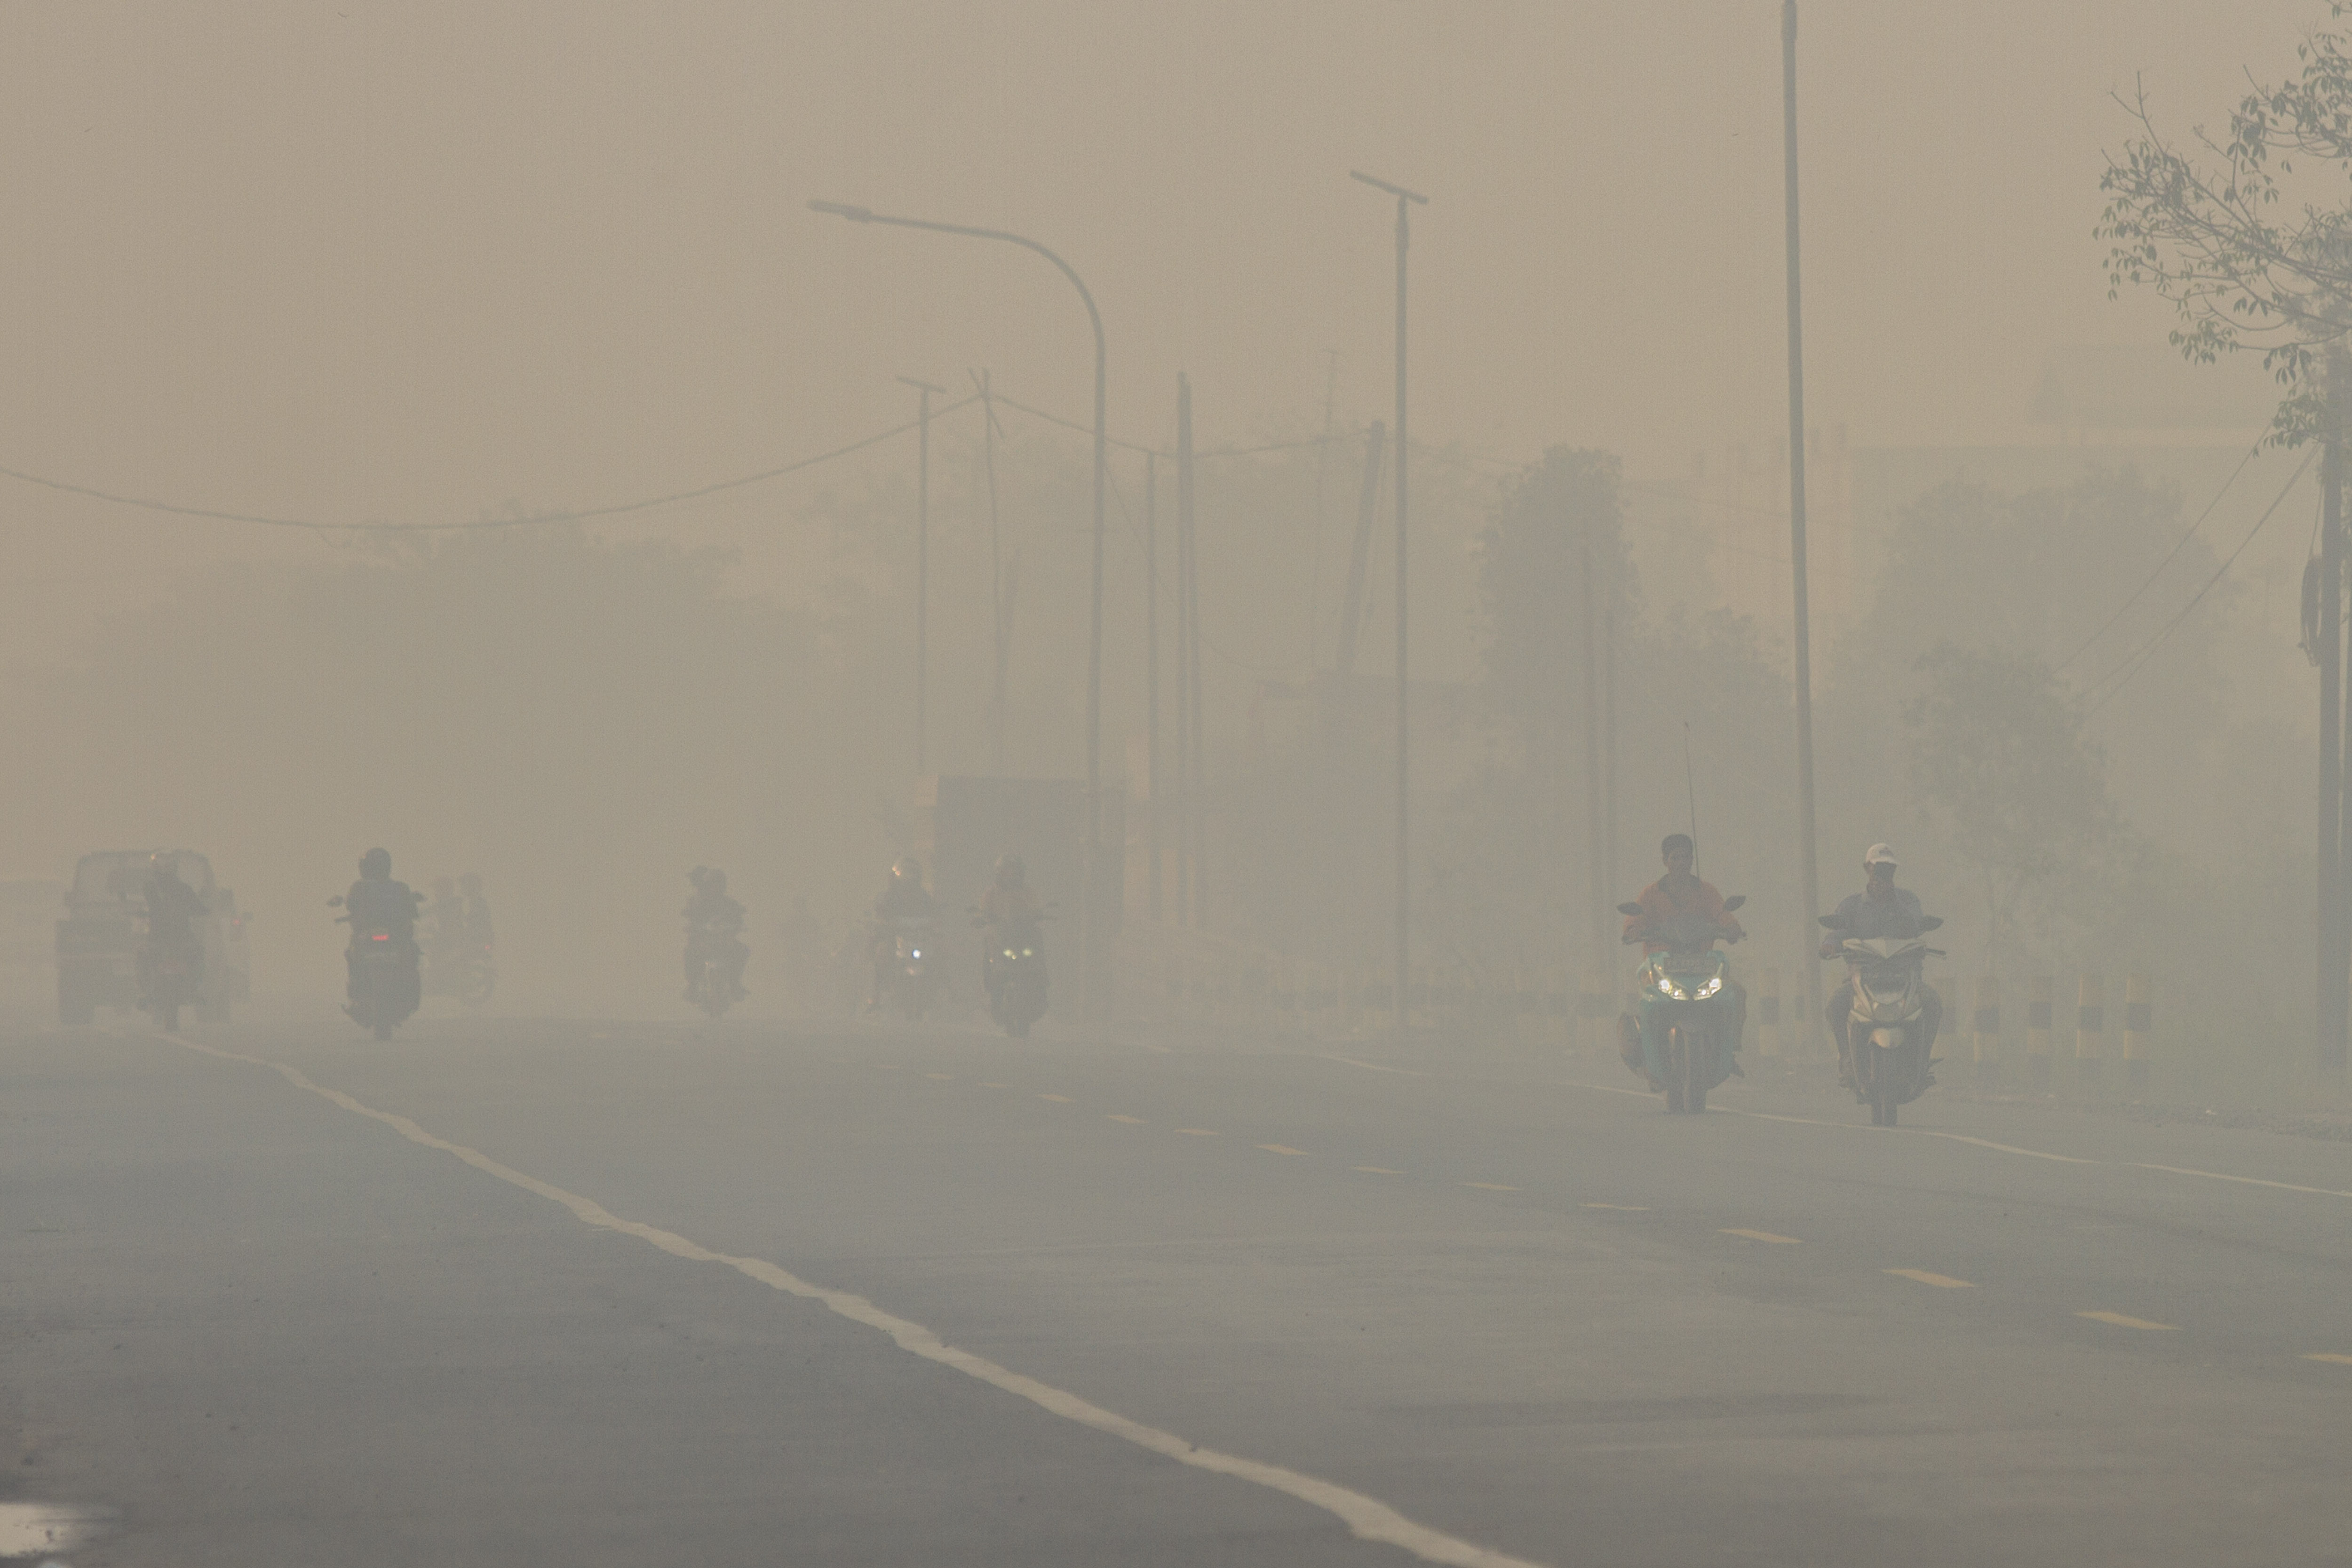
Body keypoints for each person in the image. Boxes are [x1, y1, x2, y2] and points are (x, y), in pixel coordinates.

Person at [1618, 834, 1747, 1080]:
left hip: (1703, 966)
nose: (1682, 863)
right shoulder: (1650, 894)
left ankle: (1728, 1050)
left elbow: (1722, 913)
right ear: (1665, 860)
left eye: (1687, 857)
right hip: (1661, 966)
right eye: (1676, 857)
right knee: (1647, 1002)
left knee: (1736, 994)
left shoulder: (1706, 892)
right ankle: (1647, 1054)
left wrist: (1732, 928)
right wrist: (1633, 931)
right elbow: (1634, 920)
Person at [1820, 844, 1942, 1087]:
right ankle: (1846, 1059)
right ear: (1868, 868)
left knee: (1932, 1003)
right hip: (1862, 981)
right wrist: (1830, 945)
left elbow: (1918, 923)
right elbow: (1837, 931)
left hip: (1905, 979)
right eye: (1879, 868)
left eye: (1889, 869)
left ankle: (1922, 1060)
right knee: (1836, 1005)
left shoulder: (1908, 902)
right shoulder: (1851, 906)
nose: (1883, 875)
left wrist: (1909, 917)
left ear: (1895, 872)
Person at [344, 848, 423, 1011]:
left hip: (374, 937)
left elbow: (350, 905)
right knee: (413, 952)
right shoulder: (400, 887)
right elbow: (413, 911)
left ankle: (356, 991)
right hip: (394, 936)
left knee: (351, 954)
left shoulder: (359, 887)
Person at [867, 855, 937, 1011]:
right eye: (906, 882)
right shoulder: (888, 896)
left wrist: (936, 925)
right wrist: (884, 923)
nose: (909, 886)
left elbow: (933, 914)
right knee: (882, 953)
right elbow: (880, 914)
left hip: (919, 938)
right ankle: (875, 999)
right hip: (894, 938)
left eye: (913, 881)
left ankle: (948, 991)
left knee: (941, 951)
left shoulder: (924, 897)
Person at [139, 852, 209, 1005]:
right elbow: (198, 907)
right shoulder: (182, 888)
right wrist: (205, 911)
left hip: (162, 936)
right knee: (198, 955)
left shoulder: (149, 888)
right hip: (178, 936)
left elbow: (197, 907)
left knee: (145, 957)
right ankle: (195, 990)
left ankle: (148, 992)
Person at [977, 853, 1044, 995]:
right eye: (1007, 871)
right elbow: (984, 908)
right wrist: (985, 917)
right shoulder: (992, 892)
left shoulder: (1027, 891)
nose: (1011, 875)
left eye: (1014, 871)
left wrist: (1037, 914)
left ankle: (1041, 973)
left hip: (1024, 931)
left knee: (1038, 935)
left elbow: (1036, 907)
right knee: (988, 939)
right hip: (1001, 931)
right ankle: (990, 978)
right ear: (1000, 873)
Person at [683, 867, 748, 1002]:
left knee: (743, 950)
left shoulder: (729, 903)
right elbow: (692, 917)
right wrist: (693, 926)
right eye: (713, 884)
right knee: (690, 953)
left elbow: (738, 918)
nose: (716, 887)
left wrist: (738, 926)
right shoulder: (700, 902)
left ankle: (735, 984)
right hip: (704, 940)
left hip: (724, 940)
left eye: (719, 884)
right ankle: (693, 986)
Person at [461, 873, 494, 948]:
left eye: (465, 885)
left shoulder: (479, 903)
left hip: (478, 943)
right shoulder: (472, 903)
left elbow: (481, 924)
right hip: (476, 942)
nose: (462, 888)